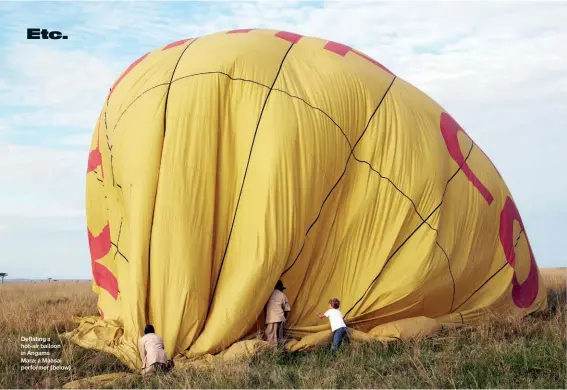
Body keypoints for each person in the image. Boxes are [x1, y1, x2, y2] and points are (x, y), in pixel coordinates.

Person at [265, 280, 291, 346]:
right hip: (279, 317)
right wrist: (284, 318)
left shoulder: (268, 294)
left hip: (272, 317)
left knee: (271, 336)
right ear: (280, 287)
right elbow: (287, 309)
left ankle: (274, 350)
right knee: (279, 335)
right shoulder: (282, 295)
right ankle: (280, 349)